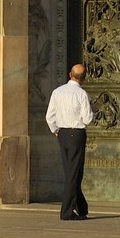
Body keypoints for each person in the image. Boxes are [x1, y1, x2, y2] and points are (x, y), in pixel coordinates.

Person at [45, 62, 94, 221]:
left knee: (71, 172)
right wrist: (94, 112)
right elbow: (87, 119)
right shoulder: (81, 94)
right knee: (74, 173)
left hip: (63, 134)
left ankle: (81, 207)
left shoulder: (57, 92)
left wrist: (56, 130)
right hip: (76, 133)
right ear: (83, 79)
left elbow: (49, 116)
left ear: (70, 74)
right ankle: (66, 211)